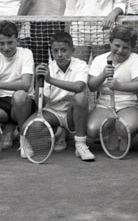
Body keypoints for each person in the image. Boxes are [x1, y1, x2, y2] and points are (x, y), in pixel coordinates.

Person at [35, 31, 95, 162]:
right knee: (33, 128)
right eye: (55, 51)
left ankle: (80, 144)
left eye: (64, 50)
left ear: (72, 50)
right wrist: (38, 82)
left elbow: (79, 87)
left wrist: (50, 80)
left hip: (72, 113)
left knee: (80, 98)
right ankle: (59, 132)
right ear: (51, 52)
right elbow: (42, 102)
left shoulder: (81, 65)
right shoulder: (48, 68)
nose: (59, 54)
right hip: (53, 111)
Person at [0, 21, 35, 151]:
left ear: (17, 41)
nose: (6, 48)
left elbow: (25, 85)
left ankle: (23, 137)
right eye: (2, 43)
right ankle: (8, 126)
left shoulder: (26, 54)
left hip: (23, 102)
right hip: (1, 104)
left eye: (10, 42)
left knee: (19, 95)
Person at [87, 26, 138, 144]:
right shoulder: (99, 60)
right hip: (105, 105)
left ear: (132, 47)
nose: (120, 50)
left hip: (130, 104)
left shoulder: (135, 59)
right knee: (92, 130)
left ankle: (124, 136)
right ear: (110, 42)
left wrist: (119, 86)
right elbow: (91, 86)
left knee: (125, 129)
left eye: (125, 48)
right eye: (117, 45)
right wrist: (103, 75)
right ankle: (111, 132)